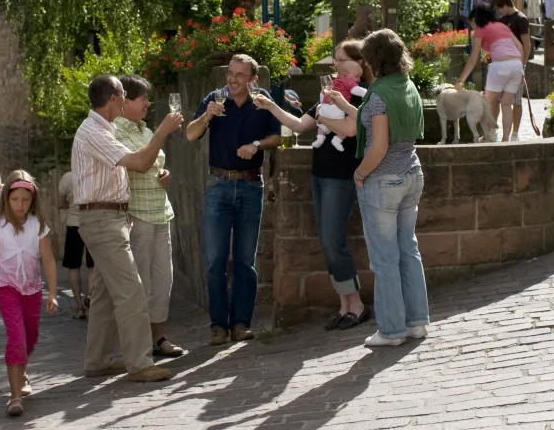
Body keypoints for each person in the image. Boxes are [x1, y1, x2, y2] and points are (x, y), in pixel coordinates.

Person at [253, 41, 372, 331]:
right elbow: (297, 125)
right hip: (320, 174)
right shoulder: (328, 94)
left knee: (334, 241)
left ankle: (356, 304)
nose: (339, 66)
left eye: (344, 60)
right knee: (328, 241)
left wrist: (321, 113)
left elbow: (350, 129)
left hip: (342, 177)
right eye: (337, 61)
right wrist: (270, 106)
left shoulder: (361, 96)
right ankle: (344, 304)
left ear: (361, 63)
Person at [72, 75, 182, 382]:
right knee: (132, 291)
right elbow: (137, 163)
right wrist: (162, 132)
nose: (126, 99)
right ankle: (140, 363)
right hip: (102, 221)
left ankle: (98, 361)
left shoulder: (101, 129)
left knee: (107, 294)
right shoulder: (94, 131)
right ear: (112, 100)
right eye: (122, 95)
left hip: (111, 218)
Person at [335, 29, 427, 347]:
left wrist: (359, 174)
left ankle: (391, 330)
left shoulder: (377, 93)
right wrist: (344, 107)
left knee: (385, 259)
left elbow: (378, 145)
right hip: (412, 173)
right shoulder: (407, 86)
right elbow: (371, 120)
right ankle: (416, 322)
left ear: (373, 59)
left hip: (383, 181)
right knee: (408, 252)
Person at [186, 54, 281, 346]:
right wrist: (207, 116)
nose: (233, 79)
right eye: (231, 73)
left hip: (251, 185)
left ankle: (241, 323)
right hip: (218, 185)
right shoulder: (214, 99)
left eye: (240, 75)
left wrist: (256, 145)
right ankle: (218, 325)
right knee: (215, 260)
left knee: (244, 260)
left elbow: (280, 136)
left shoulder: (262, 101)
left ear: (253, 79)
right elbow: (190, 135)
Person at [113, 75, 184, 358]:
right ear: (124, 102)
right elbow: (139, 163)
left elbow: (153, 163)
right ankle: (139, 344)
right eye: (142, 98)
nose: (147, 103)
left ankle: (159, 337)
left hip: (160, 211)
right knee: (139, 281)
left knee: (162, 280)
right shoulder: (115, 131)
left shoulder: (143, 129)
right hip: (137, 215)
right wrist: (163, 132)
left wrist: (164, 174)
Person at [0, 171, 59, 415]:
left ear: (32, 200)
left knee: (30, 338)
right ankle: (15, 397)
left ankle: (22, 371)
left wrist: (53, 293)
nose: (20, 205)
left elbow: (48, 260)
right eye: (15, 199)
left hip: (32, 290)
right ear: (7, 198)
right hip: (6, 288)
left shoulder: (39, 226)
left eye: (25, 200)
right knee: (17, 338)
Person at [456, 4, 525, 142]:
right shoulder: (503, 26)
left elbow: (473, 59)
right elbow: (520, 47)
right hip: (517, 66)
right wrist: (520, 67)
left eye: (472, 24)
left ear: (475, 19)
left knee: (486, 103)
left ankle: (488, 136)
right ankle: (505, 139)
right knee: (506, 104)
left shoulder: (480, 31)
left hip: (500, 66)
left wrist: (460, 81)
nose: (472, 28)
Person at [492, 0, 531, 141]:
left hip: (516, 65)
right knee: (496, 99)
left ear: (504, 5)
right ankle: (493, 130)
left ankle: (515, 133)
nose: (498, 12)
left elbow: (526, 44)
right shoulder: (502, 20)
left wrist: (523, 64)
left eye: (498, 8)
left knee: (516, 100)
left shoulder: (521, 19)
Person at [58, 170, 92, 319]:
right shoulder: (94, 174)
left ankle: (79, 307)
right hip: (92, 224)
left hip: (73, 224)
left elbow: (59, 203)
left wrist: (70, 204)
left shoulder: (67, 177)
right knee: (93, 265)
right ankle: (91, 295)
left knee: (74, 266)